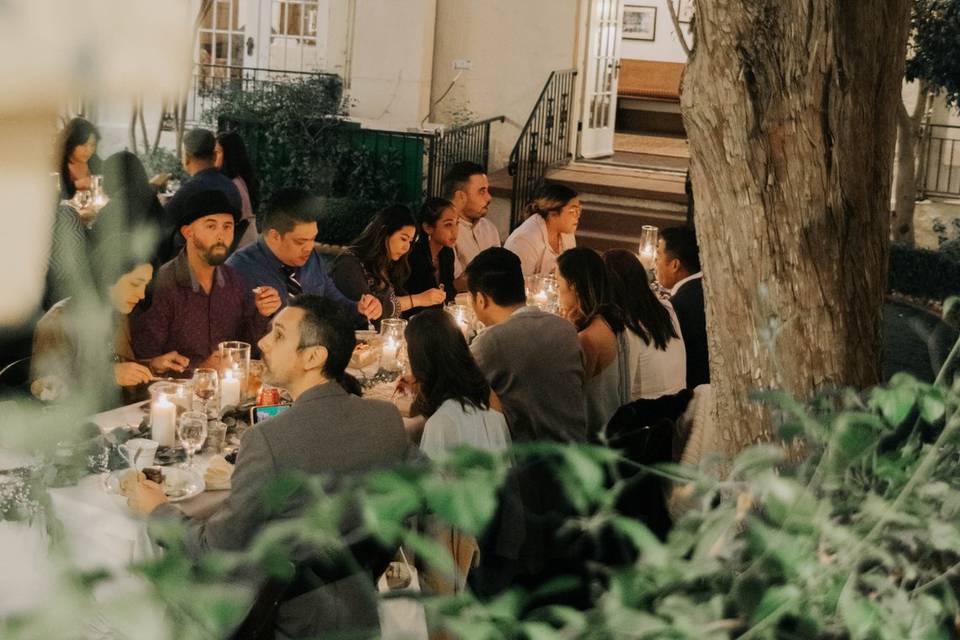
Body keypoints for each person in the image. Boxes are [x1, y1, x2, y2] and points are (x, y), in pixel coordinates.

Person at [124, 295, 412, 639]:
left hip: (286, 618)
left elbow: (214, 550)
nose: (262, 342)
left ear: (313, 357)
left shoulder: (269, 439)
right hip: (360, 603)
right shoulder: (385, 418)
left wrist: (157, 509)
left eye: (278, 335)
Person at [403, 309, 510, 595]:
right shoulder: (492, 413)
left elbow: (427, 503)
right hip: (493, 548)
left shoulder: (442, 425)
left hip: (455, 556)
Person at [131, 190, 279, 371]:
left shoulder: (235, 280)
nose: (221, 235)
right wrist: (201, 369)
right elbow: (146, 359)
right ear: (188, 232)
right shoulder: (164, 284)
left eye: (227, 226)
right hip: (177, 393)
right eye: (211, 226)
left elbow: (244, 345)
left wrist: (261, 313)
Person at [466, 247, 585, 443]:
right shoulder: (565, 329)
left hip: (531, 466)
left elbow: (453, 385)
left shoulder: (492, 342)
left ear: (480, 299)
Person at [31, 234, 163, 403]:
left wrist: (152, 365)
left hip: (116, 417)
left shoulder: (116, 312)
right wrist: (108, 378)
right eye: (135, 284)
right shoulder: (59, 320)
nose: (142, 295)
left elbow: (119, 366)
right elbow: (45, 390)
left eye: (146, 285)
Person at [227, 187, 382, 325]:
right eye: (300, 241)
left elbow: (336, 305)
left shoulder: (311, 260)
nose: (309, 247)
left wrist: (361, 308)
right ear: (274, 236)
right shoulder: (238, 270)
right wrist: (258, 316)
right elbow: (227, 335)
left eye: (313, 239)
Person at [556, 248, 629, 436]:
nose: (557, 291)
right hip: (614, 426)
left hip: (592, 438)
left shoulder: (586, 339)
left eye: (558, 283)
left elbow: (565, 395)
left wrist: (566, 334)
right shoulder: (611, 321)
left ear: (572, 285)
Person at [329, 205, 444, 321]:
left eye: (410, 242)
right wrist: (419, 299)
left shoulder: (387, 263)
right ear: (384, 232)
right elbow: (370, 311)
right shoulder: (349, 264)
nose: (407, 248)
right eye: (403, 239)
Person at [604, 249, 686, 400]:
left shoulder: (626, 327)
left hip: (646, 415)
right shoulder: (667, 309)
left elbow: (619, 392)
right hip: (678, 406)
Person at [160, 128, 242, 262]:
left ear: (186, 157)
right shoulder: (231, 187)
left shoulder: (191, 189)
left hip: (187, 263)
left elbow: (161, 221)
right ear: (215, 156)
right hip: (221, 257)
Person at [655, 226, 709, 389]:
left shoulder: (678, 306)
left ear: (675, 265)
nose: (655, 264)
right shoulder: (705, 289)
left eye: (658, 257)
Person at [442, 162, 499, 287]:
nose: (489, 197)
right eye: (482, 191)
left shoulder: (489, 228)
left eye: (487, 190)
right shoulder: (443, 233)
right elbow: (453, 285)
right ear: (460, 196)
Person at [504, 184, 580, 277]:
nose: (577, 216)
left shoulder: (567, 234)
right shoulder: (524, 241)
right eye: (572, 211)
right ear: (553, 214)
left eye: (579, 211)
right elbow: (518, 283)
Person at [403, 197, 458, 316]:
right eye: (448, 225)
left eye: (456, 223)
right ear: (428, 228)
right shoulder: (413, 256)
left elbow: (449, 293)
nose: (455, 231)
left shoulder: (447, 253)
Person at [95, 151, 165, 236]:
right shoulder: (152, 201)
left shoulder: (112, 210)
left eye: (105, 176)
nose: (103, 182)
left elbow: (92, 242)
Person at [215, 131, 260, 248]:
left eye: (218, 152)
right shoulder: (240, 180)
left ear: (229, 155)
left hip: (239, 251)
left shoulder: (232, 185)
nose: (213, 157)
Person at [57, 117, 102, 199]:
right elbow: (57, 195)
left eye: (92, 145)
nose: (89, 150)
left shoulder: (93, 160)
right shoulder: (59, 165)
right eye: (83, 145)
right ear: (72, 143)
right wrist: (77, 185)